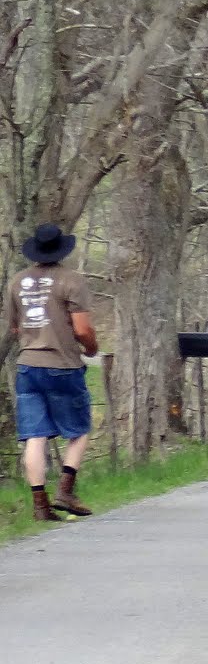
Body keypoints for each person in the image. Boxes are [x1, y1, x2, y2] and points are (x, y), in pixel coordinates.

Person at [5, 222, 97, 521]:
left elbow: (14, 327)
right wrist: (91, 348)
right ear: (61, 249)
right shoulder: (71, 280)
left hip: (27, 366)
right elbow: (82, 329)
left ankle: (40, 505)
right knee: (79, 430)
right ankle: (66, 490)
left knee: (35, 435)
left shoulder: (17, 281)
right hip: (62, 365)